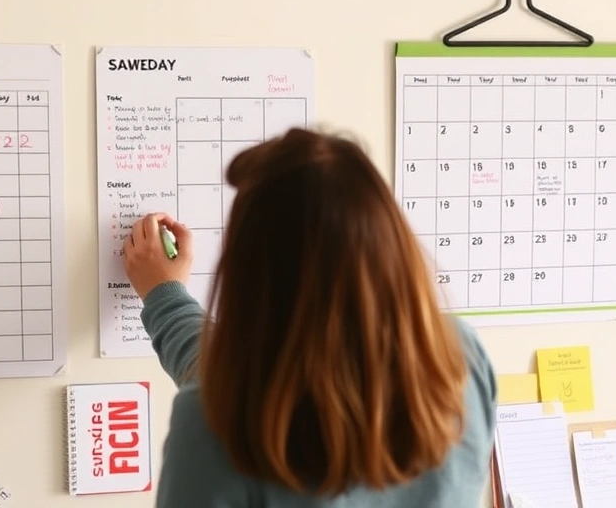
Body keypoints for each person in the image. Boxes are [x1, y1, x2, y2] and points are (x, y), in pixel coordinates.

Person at [121, 127, 497, 507]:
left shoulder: (210, 426)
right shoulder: (460, 356)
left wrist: (163, 296)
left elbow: (238, 398)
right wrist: (166, 298)